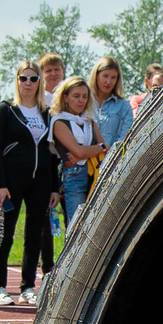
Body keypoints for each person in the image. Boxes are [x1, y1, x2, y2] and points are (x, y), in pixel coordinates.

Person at [0, 62, 58, 306]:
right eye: (23, 78)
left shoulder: (47, 113)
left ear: (40, 82)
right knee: (5, 233)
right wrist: (0, 183)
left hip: (40, 182)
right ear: (16, 81)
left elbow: (52, 152)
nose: (28, 83)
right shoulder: (6, 110)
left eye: (33, 78)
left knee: (35, 234)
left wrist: (54, 187)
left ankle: (28, 287)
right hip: (11, 182)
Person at [50, 76, 101, 230]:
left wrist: (87, 152)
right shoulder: (59, 121)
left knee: (95, 224)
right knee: (76, 227)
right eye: (76, 96)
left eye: (85, 97)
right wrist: (97, 148)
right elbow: (78, 150)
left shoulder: (89, 121)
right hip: (74, 176)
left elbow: (107, 148)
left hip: (95, 175)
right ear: (65, 97)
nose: (81, 101)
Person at [89, 56, 137, 158]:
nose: (108, 81)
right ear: (96, 75)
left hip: (111, 163)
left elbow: (125, 139)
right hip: (84, 163)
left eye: (113, 77)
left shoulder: (124, 106)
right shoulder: (84, 101)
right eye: (105, 76)